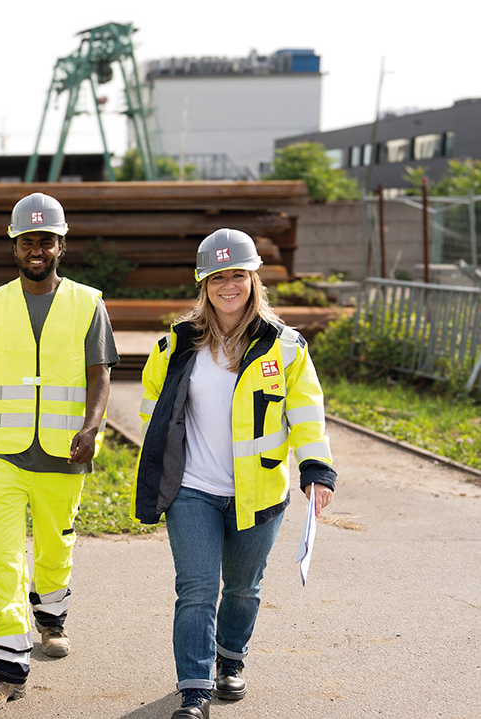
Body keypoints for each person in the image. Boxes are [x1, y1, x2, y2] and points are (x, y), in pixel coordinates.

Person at [134, 228, 337, 719]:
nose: (229, 286)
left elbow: (306, 410)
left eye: (238, 276)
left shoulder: (285, 347)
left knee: (244, 587)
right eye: (218, 277)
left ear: (253, 280)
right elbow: (152, 413)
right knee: (197, 588)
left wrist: (316, 466)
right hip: (192, 492)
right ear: (203, 283)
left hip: (260, 491)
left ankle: (230, 657)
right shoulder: (176, 345)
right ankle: (195, 691)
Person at [0, 192, 117, 713]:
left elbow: (100, 373)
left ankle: (50, 616)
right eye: (28, 240)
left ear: (61, 245)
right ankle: (7, 667)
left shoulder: (88, 303)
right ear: (15, 244)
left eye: (46, 240)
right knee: (1, 560)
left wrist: (93, 427)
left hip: (63, 453)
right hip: (1, 455)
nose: (36, 249)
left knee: (53, 548)